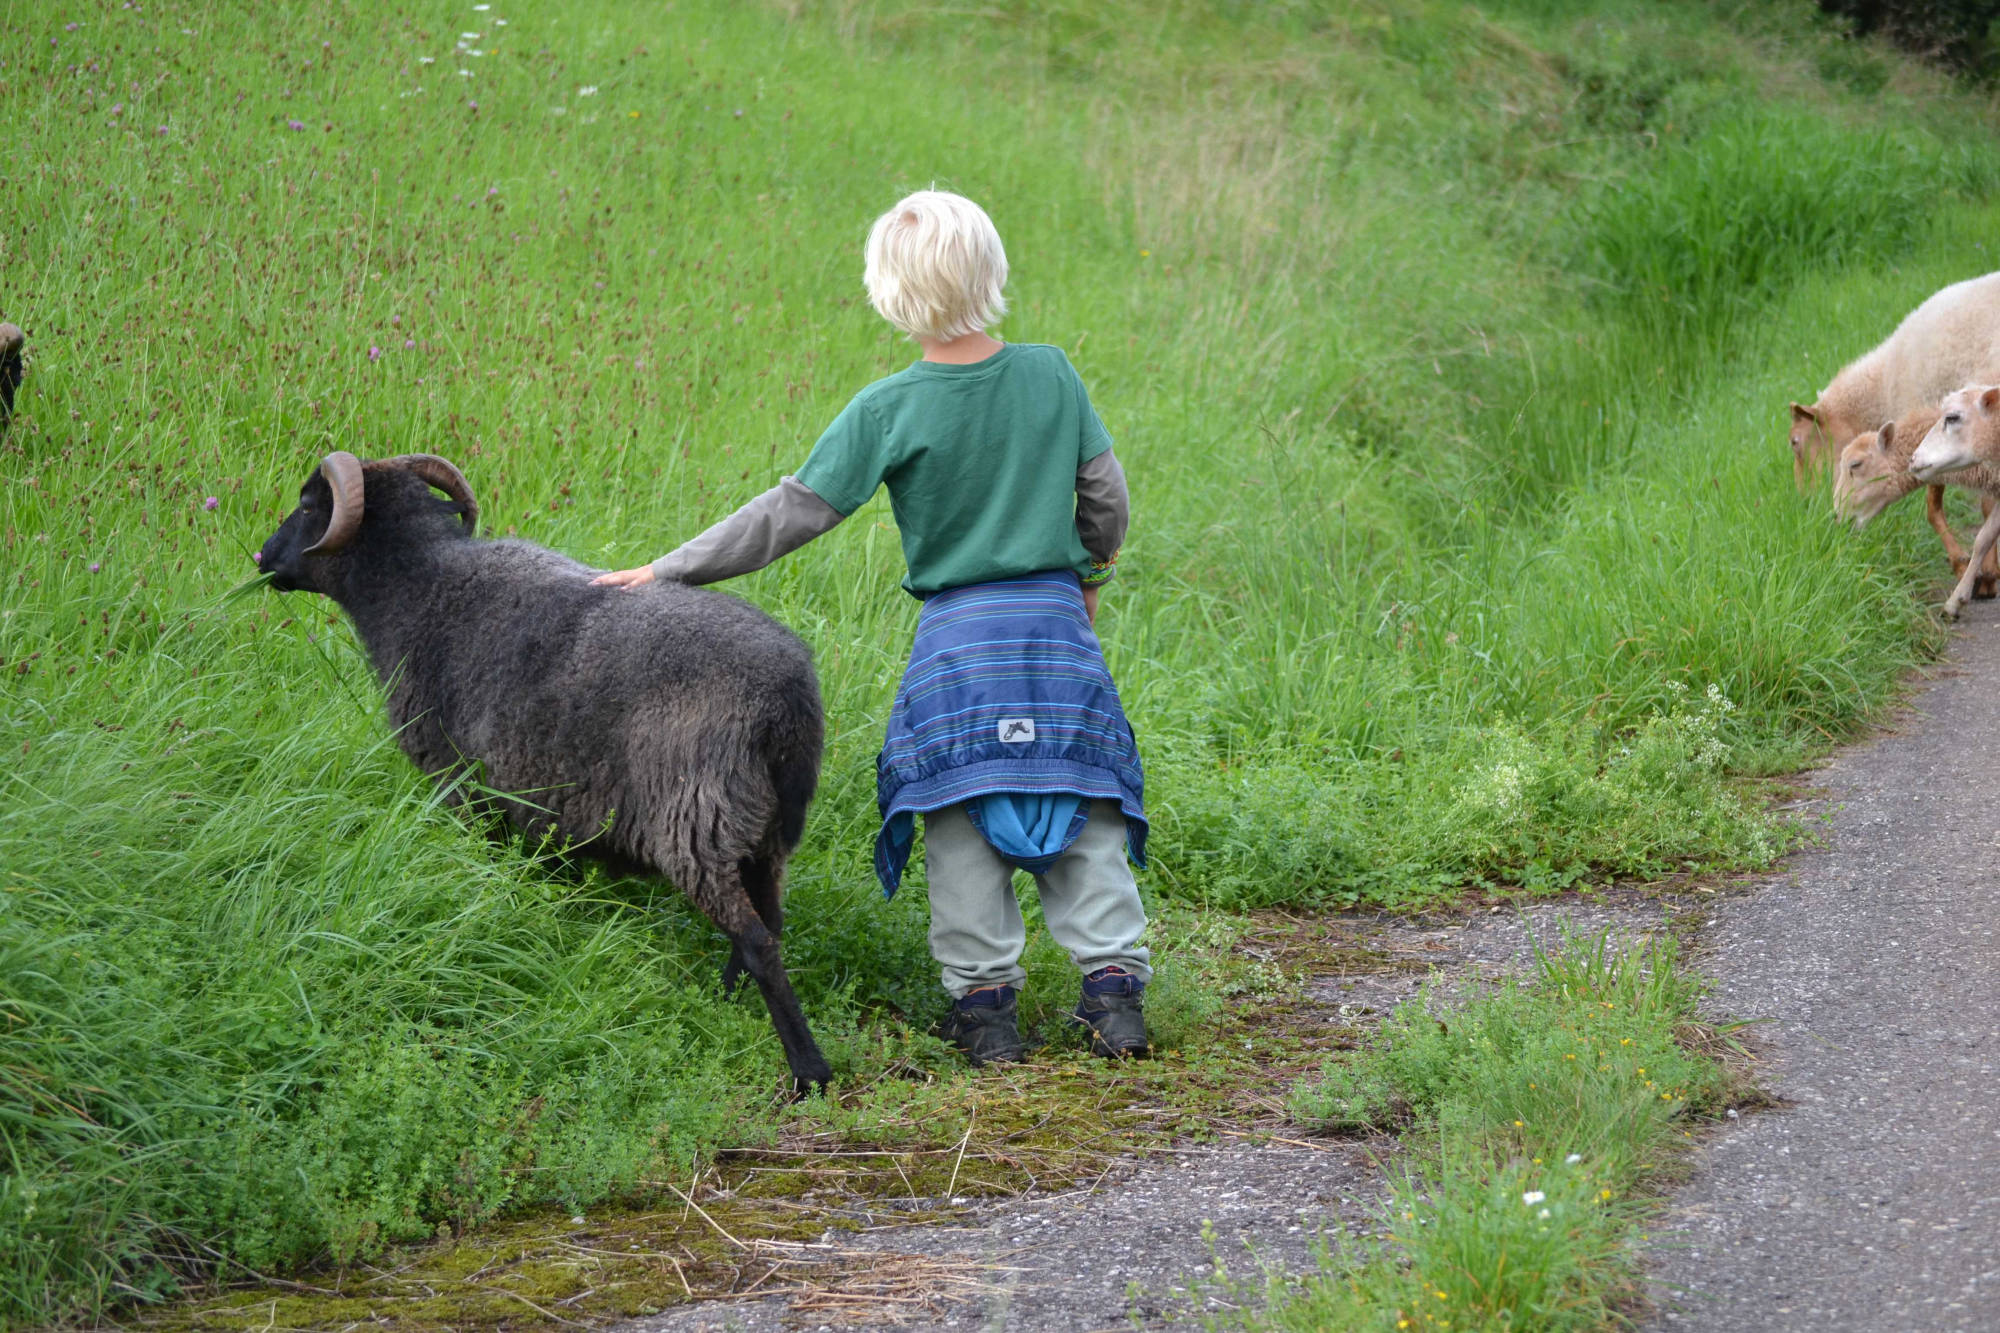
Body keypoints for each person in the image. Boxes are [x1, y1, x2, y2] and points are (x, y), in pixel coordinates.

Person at [595, 190, 1150, 1065]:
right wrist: (1092, 573)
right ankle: (1114, 997)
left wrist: (669, 568)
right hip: (1055, 636)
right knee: (1082, 799)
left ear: (887, 292)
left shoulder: (888, 407)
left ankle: (987, 1014)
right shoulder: (1053, 375)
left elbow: (791, 512)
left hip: (957, 648)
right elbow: (1106, 500)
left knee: (959, 815)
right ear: (993, 270)